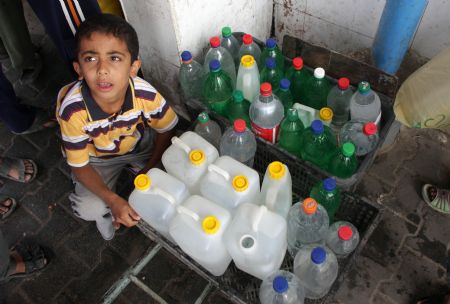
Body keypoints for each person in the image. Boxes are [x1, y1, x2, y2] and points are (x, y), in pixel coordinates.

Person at [55, 14, 178, 240]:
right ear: (78, 68)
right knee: (90, 207)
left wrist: (151, 167)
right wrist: (113, 201)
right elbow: (80, 166)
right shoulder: (72, 112)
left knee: (174, 176)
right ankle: (108, 214)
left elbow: (166, 129)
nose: (102, 69)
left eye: (114, 58)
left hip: (138, 145)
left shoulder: (144, 94)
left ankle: (136, 171)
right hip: (97, 159)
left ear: (133, 67)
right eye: (91, 59)